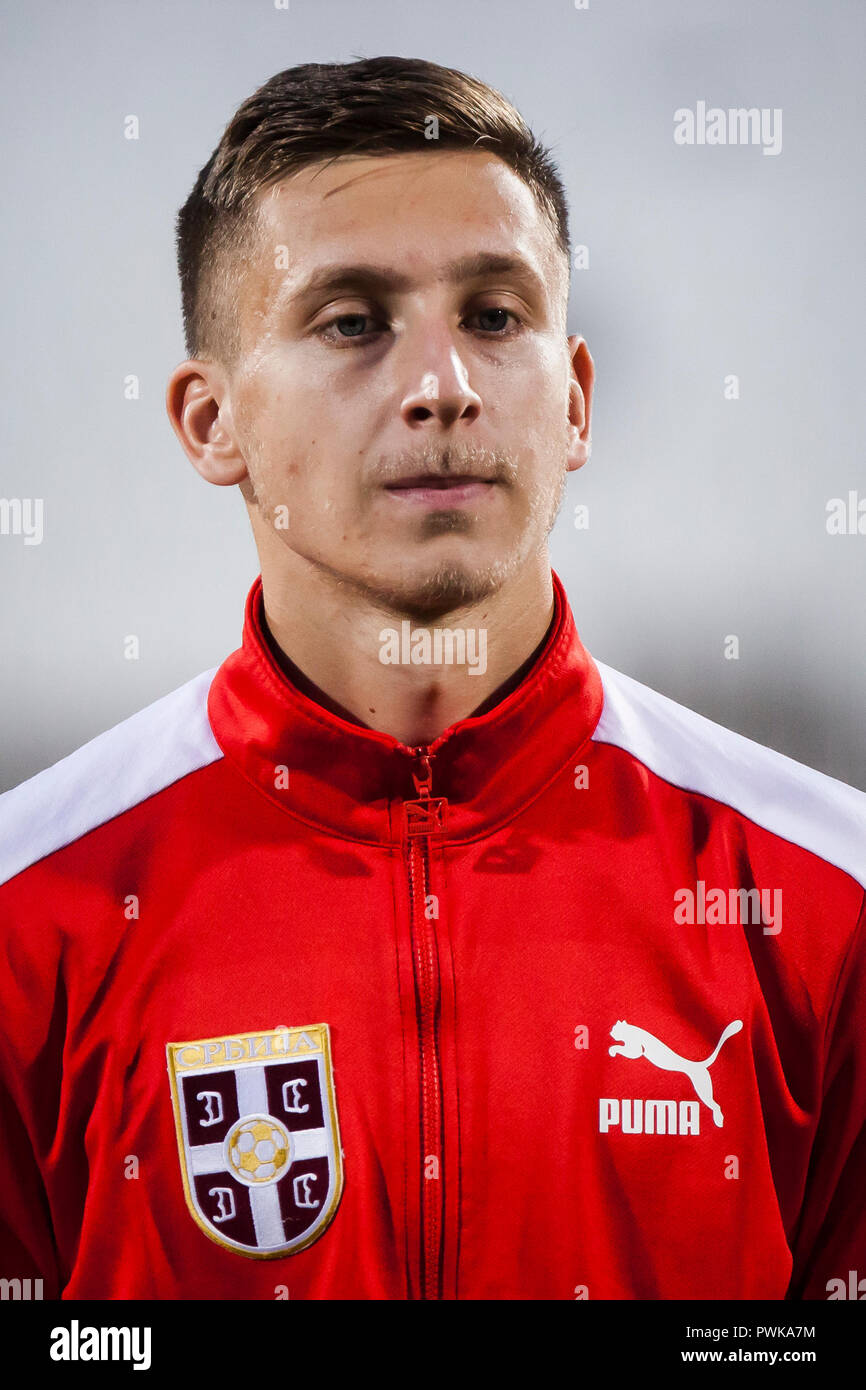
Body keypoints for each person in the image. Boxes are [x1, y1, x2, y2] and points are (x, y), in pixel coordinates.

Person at [0, 56, 863, 1302]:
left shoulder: (821, 902)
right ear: (210, 422)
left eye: (494, 316)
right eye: (352, 320)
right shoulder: (31, 918)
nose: (443, 388)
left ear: (570, 400)